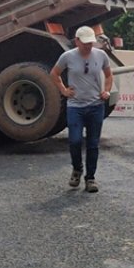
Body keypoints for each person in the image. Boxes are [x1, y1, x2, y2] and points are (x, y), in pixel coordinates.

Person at [50, 26, 113, 193]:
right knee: (75, 141)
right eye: (84, 43)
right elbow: (54, 74)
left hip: (95, 106)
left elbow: (108, 74)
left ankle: (90, 178)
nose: (88, 46)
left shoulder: (101, 55)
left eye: (90, 43)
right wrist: (63, 90)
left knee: (93, 144)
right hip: (75, 107)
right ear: (76, 41)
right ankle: (77, 168)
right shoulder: (68, 57)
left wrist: (106, 90)